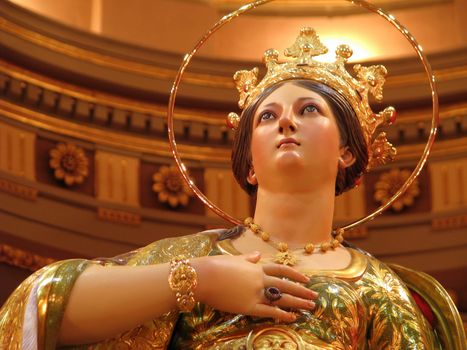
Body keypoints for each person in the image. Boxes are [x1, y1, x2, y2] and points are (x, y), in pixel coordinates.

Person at [0, 27, 444, 349]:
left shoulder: (379, 289)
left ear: (348, 152)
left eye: (309, 109)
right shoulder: (193, 258)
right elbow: (45, 304)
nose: (286, 120)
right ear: (250, 163)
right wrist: (201, 280)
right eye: (267, 116)